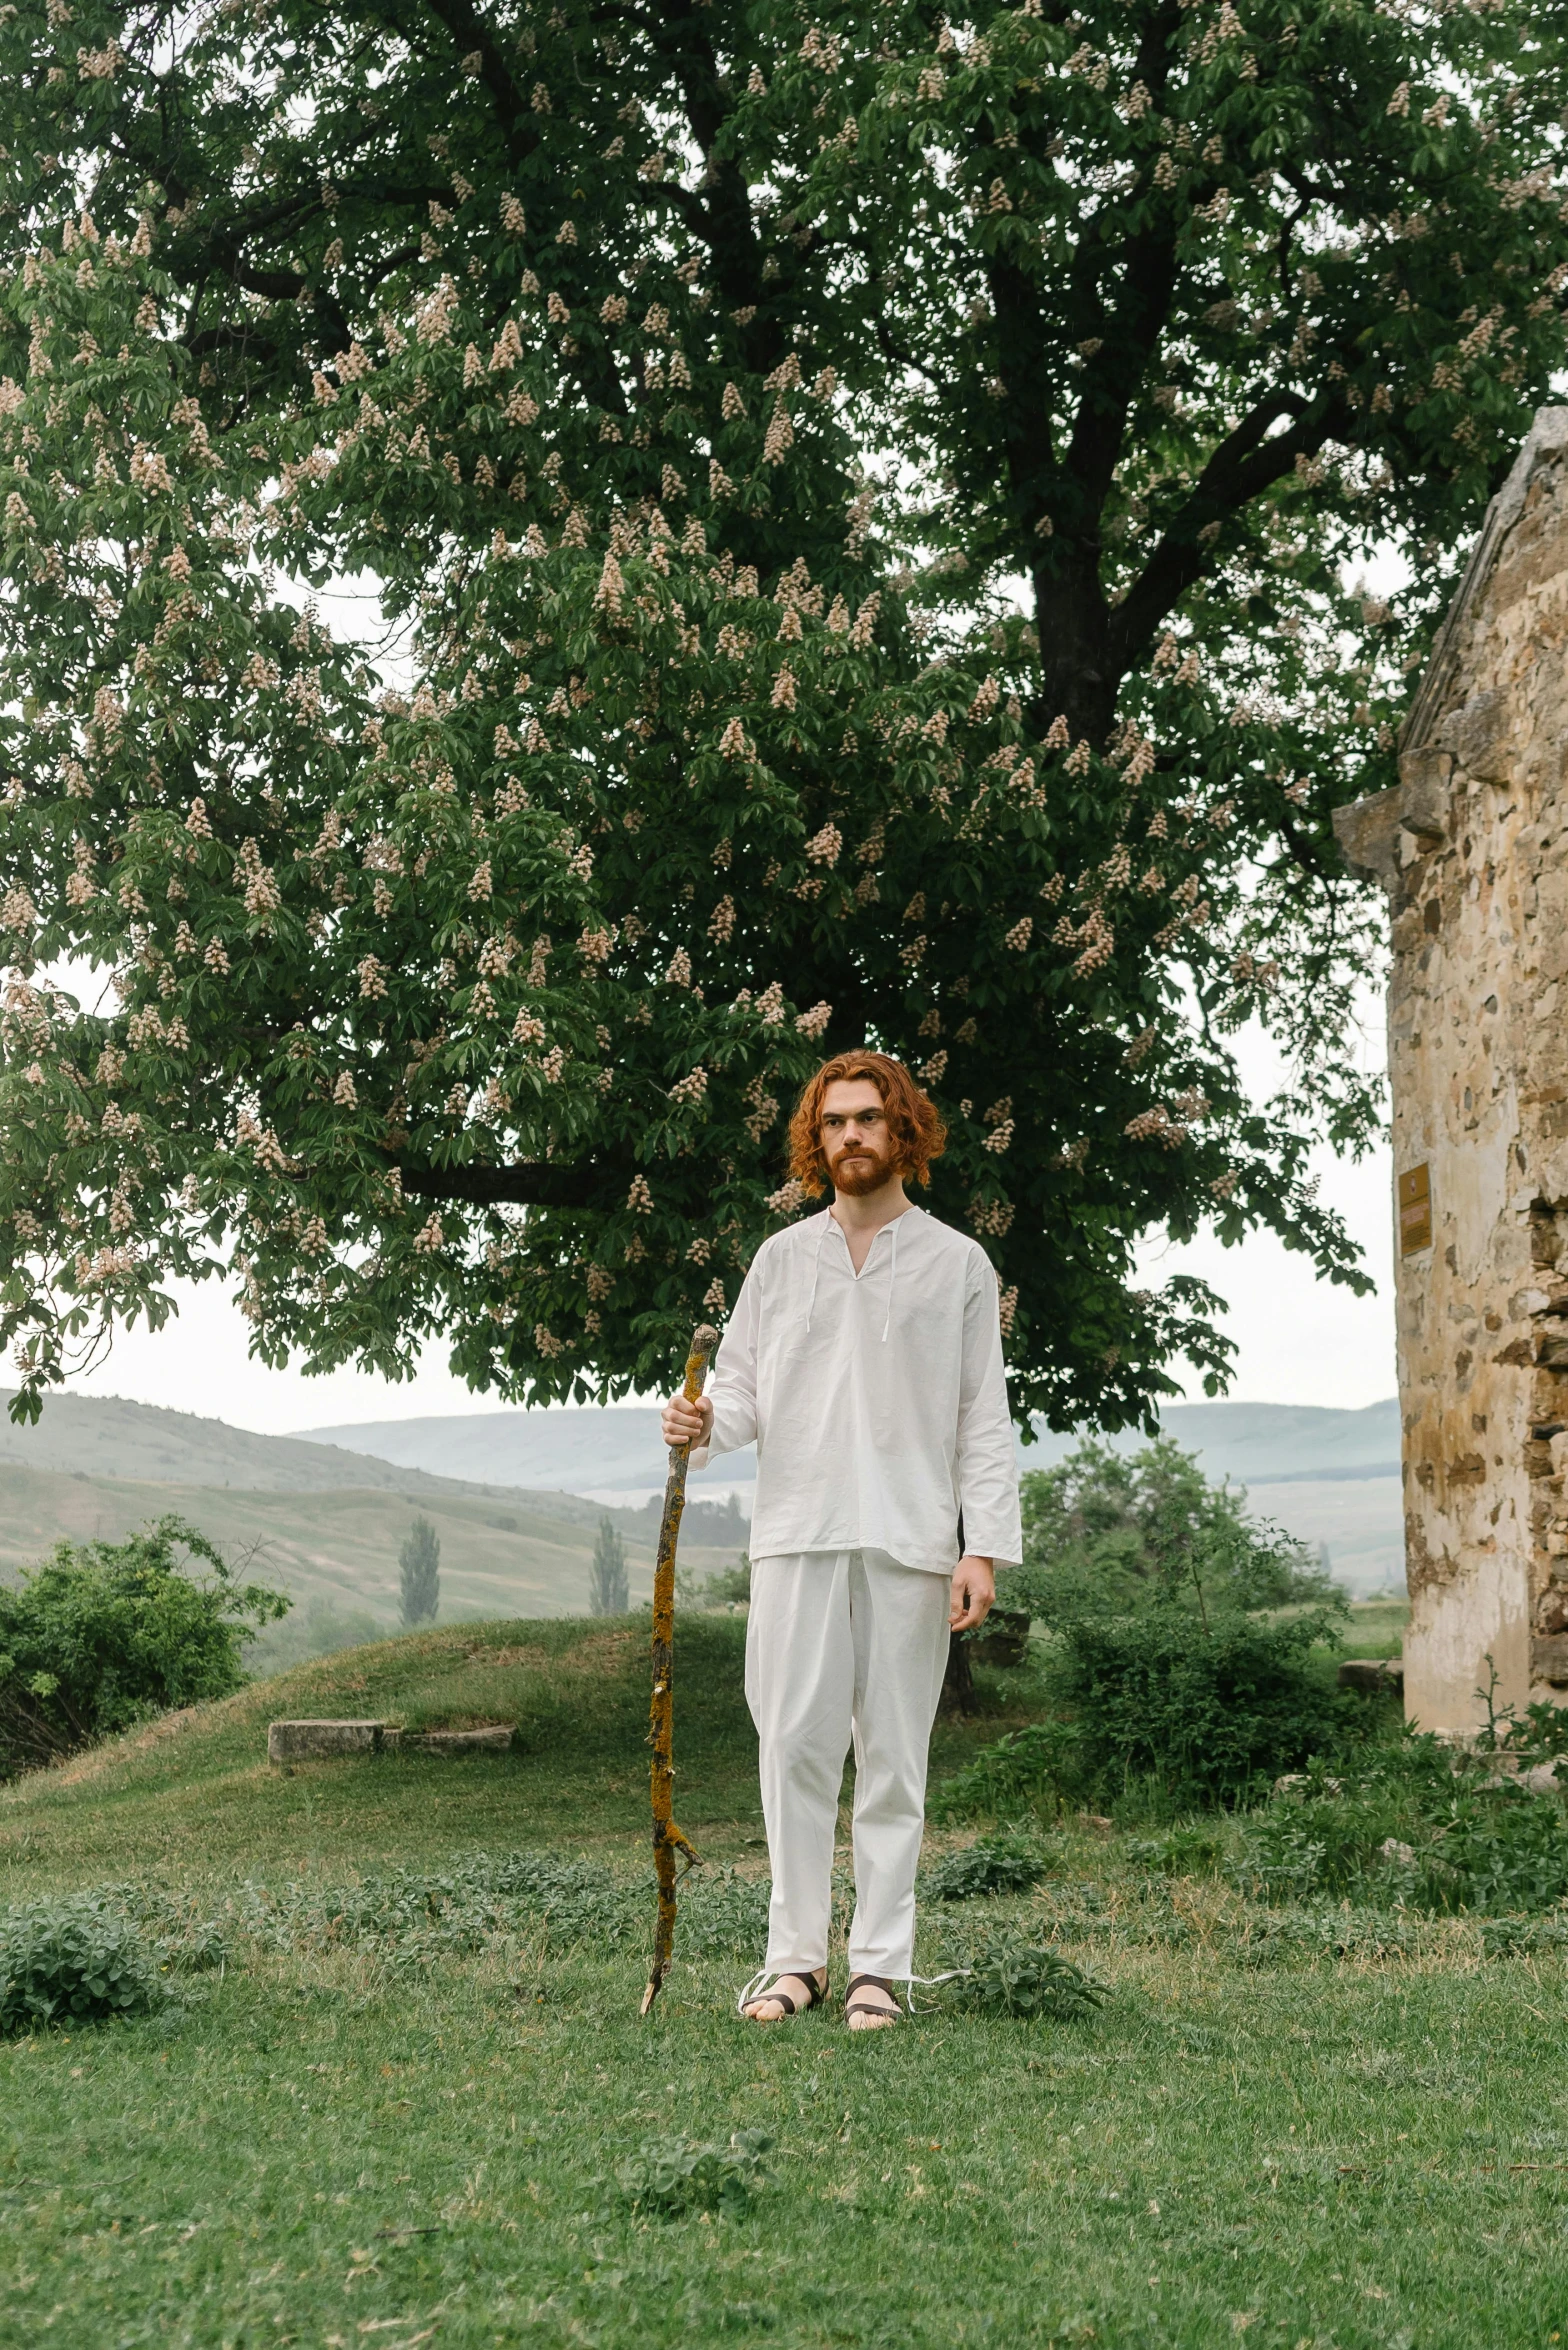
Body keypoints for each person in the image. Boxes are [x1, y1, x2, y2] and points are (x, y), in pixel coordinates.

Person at [661, 1051, 1021, 2030]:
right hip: (796, 1535)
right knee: (791, 1750)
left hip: (909, 1539)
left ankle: (877, 1967)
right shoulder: (781, 1261)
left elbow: (980, 1416)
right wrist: (704, 1423)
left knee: (894, 1762)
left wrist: (979, 1544)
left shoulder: (954, 1262)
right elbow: (739, 1388)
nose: (850, 1135)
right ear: (813, 1140)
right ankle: (793, 1962)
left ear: (901, 1130)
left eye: (867, 1118)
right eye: (832, 1122)